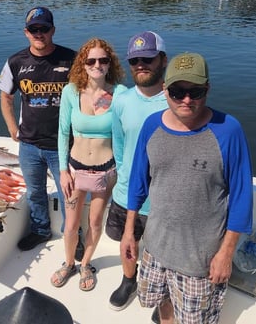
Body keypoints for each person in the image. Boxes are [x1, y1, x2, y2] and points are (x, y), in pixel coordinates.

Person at [121, 52, 253, 324]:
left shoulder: (228, 130)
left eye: (196, 91)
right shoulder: (151, 126)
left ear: (208, 89)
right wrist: (129, 233)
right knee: (163, 306)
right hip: (156, 247)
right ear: (164, 89)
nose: (187, 100)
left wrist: (225, 253)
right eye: (178, 91)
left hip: (200, 260)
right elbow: (138, 182)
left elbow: (241, 197)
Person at [0, 7, 85, 259]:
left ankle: (74, 235)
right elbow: (5, 97)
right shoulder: (16, 62)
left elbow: (87, 95)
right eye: (34, 29)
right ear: (26, 32)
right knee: (35, 192)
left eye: (44, 29)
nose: (39, 34)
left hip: (63, 145)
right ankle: (40, 229)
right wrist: (13, 128)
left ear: (52, 30)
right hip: (29, 145)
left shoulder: (72, 59)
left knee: (70, 195)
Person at [50, 38, 127, 291]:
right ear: (82, 63)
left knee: (95, 223)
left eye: (103, 60)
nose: (97, 65)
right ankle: (69, 263)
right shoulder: (71, 91)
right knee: (71, 225)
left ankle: (85, 264)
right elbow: (63, 133)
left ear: (110, 64)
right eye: (91, 60)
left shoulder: (119, 94)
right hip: (75, 169)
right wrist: (62, 170)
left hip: (105, 172)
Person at [106, 31, 168, 310]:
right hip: (126, 193)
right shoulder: (121, 100)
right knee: (125, 243)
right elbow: (118, 144)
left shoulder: (176, 101)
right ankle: (128, 279)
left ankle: (165, 295)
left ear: (162, 60)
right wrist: (125, 176)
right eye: (134, 60)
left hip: (163, 198)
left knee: (163, 252)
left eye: (148, 58)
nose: (140, 64)